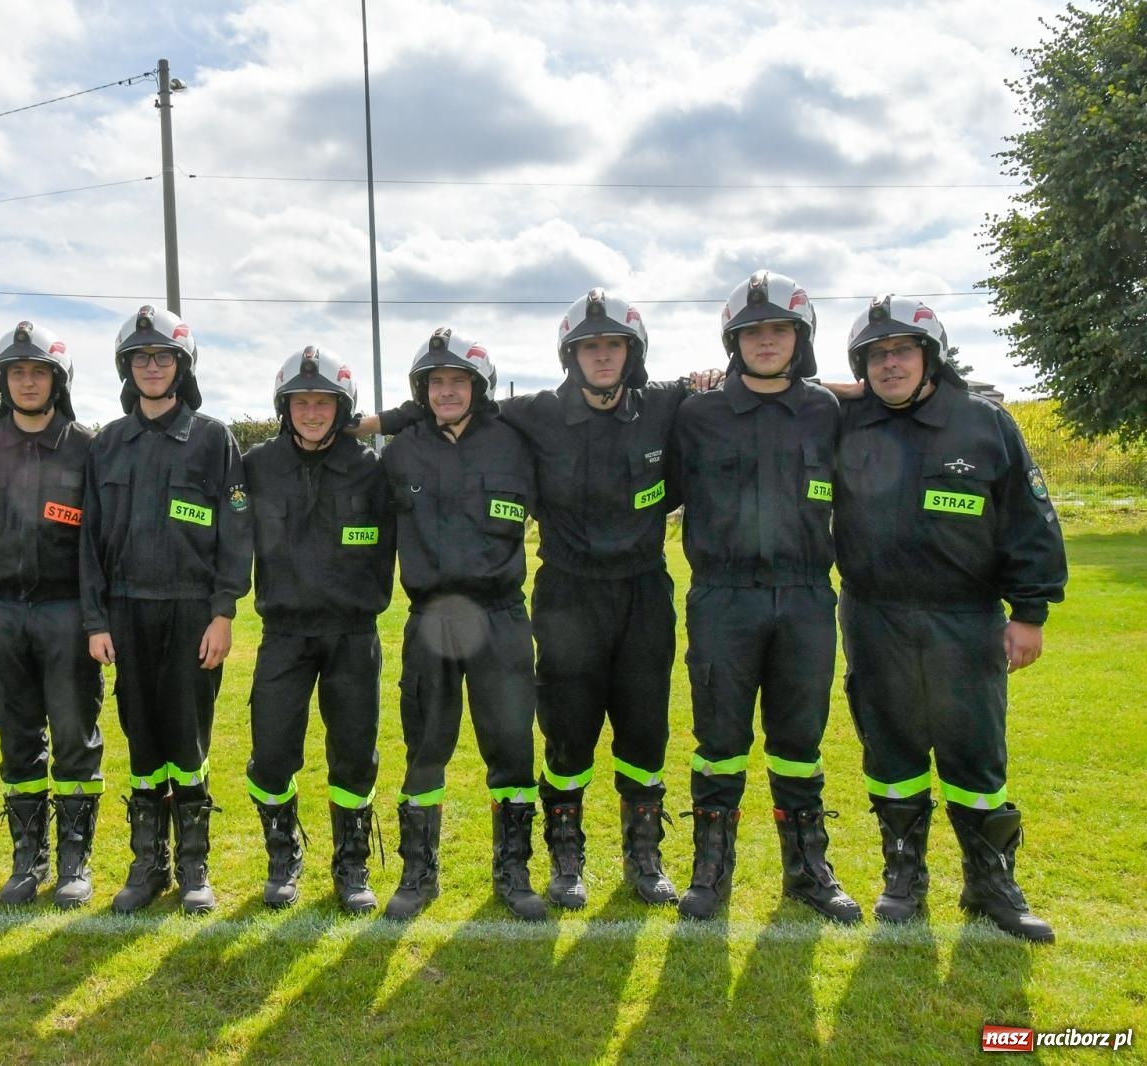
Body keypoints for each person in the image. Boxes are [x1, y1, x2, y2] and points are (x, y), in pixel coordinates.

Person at [361, 289, 712, 910]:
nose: (602, 357)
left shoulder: (665, 405)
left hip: (641, 593)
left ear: (632, 353)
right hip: (564, 596)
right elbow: (441, 408)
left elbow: (755, 388)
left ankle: (643, 856)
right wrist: (373, 418)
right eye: (589, 346)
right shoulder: (535, 416)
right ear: (569, 355)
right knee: (562, 733)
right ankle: (563, 858)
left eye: (613, 346)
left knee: (644, 729)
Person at [838, 296, 1066, 941]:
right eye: (876, 356)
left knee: (975, 755)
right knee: (892, 748)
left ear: (930, 355)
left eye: (902, 351)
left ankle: (990, 882)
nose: (890, 365)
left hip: (964, 618)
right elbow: (793, 404)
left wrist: (1029, 611)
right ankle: (903, 877)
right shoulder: (848, 422)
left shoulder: (984, 423)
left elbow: (1031, 520)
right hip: (873, 615)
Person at [671, 270, 859, 923]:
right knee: (718, 739)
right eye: (752, 331)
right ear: (733, 340)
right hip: (723, 598)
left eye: (779, 328)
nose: (766, 340)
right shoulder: (697, 414)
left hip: (806, 596)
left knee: (799, 742)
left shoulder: (825, 410)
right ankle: (710, 872)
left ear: (800, 336)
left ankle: (808, 870)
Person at [81, 305, 253, 915]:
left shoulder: (213, 439)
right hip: (126, 613)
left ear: (181, 366)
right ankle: (146, 864)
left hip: (191, 615)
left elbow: (236, 534)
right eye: (140, 358)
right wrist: (96, 620)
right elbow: (90, 539)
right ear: (127, 368)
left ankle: (194, 867)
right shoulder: (107, 444)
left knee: (188, 739)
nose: (152, 367)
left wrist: (224, 611)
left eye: (163, 357)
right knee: (143, 740)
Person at [378, 328, 546, 921]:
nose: (446, 392)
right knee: (425, 747)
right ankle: (418, 873)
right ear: (421, 391)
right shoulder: (400, 450)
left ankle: (515, 869)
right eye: (435, 382)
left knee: (512, 746)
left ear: (479, 386)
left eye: (457, 381)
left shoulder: (516, 441)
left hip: (500, 615)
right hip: (431, 619)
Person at [0, 321, 104, 909]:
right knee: (16, 735)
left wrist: (95, 619)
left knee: (72, 734)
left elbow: (100, 545)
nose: (29, 381)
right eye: (18, 372)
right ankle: (27, 859)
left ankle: (73, 861)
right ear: (3, 381)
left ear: (57, 380)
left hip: (66, 609)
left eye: (39, 371)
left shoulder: (86, 450)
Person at [242, 346, 395, 913]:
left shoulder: (370, 468)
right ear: (285, 407)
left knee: (354, 753)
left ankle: (351, 863)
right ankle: (283, 855)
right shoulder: (256, 465)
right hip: (284, 635)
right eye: (301, 402)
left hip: (354, 634)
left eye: (323, 402)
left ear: (343, 407)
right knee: (272, 753)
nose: (312, 412)